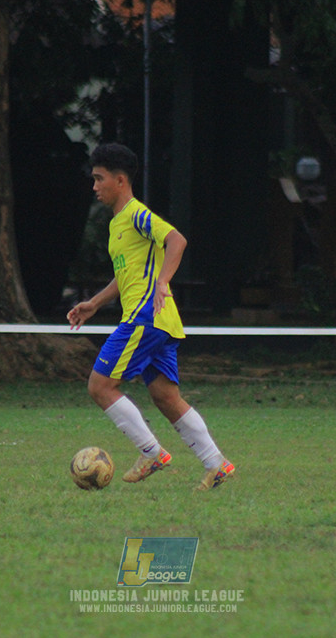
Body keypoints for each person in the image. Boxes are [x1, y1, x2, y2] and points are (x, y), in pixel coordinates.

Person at [67, 143, 234, 491]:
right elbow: (125, 274)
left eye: (99, 179)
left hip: (146, 317)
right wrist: (95, 303)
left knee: (99, 386)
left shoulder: (137, 214)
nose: (94, 186)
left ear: (120, 180)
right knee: (165, 397)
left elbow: (177, 240)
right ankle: (216, 464)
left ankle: (151, 452)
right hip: (160, 320)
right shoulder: (117, 224)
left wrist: (162, 281)